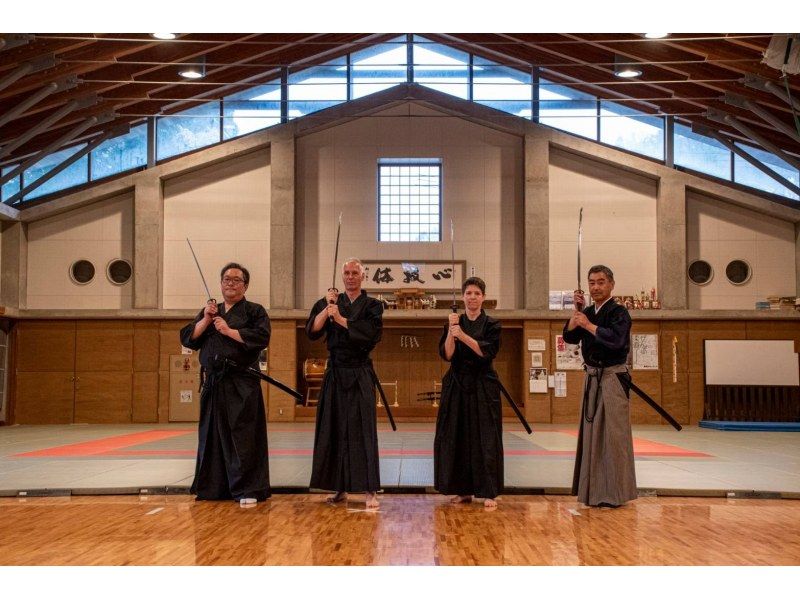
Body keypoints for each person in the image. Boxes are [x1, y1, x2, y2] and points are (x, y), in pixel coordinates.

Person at [180, 263, 271, 505]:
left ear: (246, 285)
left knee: (243, 436)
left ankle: (248, 489)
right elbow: (189, 338)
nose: (230, 283)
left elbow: (261, 338)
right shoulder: (210, 312)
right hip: (214, 383)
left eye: (236, 280)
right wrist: (206, 320)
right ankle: (213, 488)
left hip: (241, 383)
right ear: (220, 284)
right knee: (211, 435)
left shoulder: (254, 311)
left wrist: (229, 331)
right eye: (226, 279)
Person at [305, 258, 384, 509]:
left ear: (363, 276)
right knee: (334, 428)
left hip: (359, 371)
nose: (350, 277)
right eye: (347, 273)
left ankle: (370, 489)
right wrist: (326, 309)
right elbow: (312, 331)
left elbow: (370, 336)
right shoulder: (328, 302)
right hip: (335, 372)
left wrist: (339, 318)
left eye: (355, 273)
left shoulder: (373, 305)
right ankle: (339, 488)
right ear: (342, 277)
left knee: (363, 430)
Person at [563, 264, 636, 508]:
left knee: (613, 437)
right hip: (592, 377)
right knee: (593, 437)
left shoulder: (619, 312)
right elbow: (570, 338)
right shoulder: (588, 311)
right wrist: (576, 315)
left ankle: (614, 494)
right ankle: (593, 492)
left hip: (613, 378)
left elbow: (616, 341)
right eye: (591, 282)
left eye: (601, 282)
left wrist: (586, 324)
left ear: (611, 284)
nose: (595, 287)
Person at [433, 277, 503, 509]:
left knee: (486, 437)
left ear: (483, 297)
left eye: (476, 293)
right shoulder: (453, 322)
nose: (472, 297)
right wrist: (453, 332)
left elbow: (486, 352)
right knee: (457, 435)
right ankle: (462, 490)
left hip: (483, 383)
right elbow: (448, 355)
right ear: (463, 297)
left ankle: (489, 491)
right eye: (468, 293)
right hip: (457, 383)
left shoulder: (492, 324)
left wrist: (462, 335)